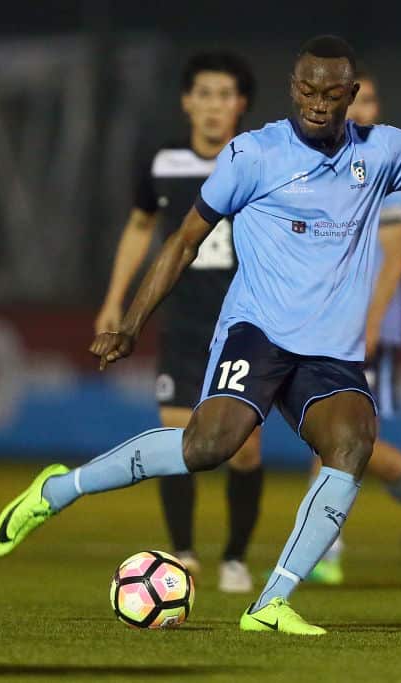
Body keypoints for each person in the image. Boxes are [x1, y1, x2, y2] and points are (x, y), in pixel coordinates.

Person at [0, 34, 401, 636]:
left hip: (328, 350)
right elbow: (184, 239)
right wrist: (131, 322)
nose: (317, 103)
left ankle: (271, 601)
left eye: (331, 93)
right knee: (207, 446)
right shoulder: (254, 154)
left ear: (351, 94)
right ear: (293, 87)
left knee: (355, 443)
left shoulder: (380, 150)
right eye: (307, 90)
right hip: (258, 331)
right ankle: (57, 490)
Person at [94, 51, 260, 593]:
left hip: (243, 324)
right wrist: (115, 300)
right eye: (204, 94)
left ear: (242, 105)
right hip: (184, 322)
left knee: (244, 448)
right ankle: (184, 553)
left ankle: (235, 557)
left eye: (225, 95)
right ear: (187, 101)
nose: (214, 106)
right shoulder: (164, 163)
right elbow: (141, 225)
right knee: (175, 437)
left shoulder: (259, 159)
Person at [308, 67, 401, 585]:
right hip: (323, 329)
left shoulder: (385, 173)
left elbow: (393, 262)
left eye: (369, 99)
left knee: (337, 440)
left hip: (367, 332)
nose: (361, 108)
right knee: (345, 444)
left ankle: (324, 551)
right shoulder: (319, 169)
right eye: (355, 100)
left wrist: (369, 328)